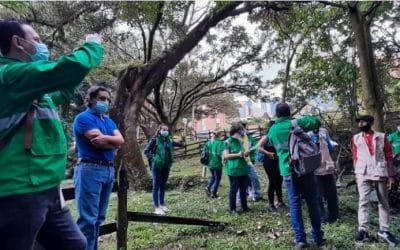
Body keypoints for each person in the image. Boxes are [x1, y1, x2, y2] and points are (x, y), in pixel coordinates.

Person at [0, 18, 103, 250]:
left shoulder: (31, 89)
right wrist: (92, 47)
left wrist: (70, 79)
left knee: (74, 245)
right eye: (36, 39)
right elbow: (64, 70)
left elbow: (60, 91)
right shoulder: (8, 76)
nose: (41, 45)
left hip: (47, 187)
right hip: (21, 190)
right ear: (18, 42)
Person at [73, 85, 124, 250]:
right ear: (90, 100)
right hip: (90, 169)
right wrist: (113, 142)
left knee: (99, 218)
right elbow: (100, 144)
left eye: (108, 99)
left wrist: (110, 141)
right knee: (88, 219)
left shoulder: (108, 121)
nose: (106, 102)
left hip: (108, 170)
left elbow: (121, 140)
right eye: (102, 99)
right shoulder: (83, 118)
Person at [268, 103, 324, 248]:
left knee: (295, 204)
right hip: (305, 169)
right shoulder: (297, 123)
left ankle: (300, 239)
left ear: (277, 114)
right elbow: (316, 121)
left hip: (288, 171)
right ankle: (318, 237)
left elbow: (274, 145)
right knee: (312, 202)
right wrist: (304, 116)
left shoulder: (272, 129)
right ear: (290, 112)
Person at [351, 115, 398, 246]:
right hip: (363, 172)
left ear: (371, 123)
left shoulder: (382, 137)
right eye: (359, 122)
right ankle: (363, 229)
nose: (361, 124)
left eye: (363, 121)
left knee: (383, 202)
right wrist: (356, 174)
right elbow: (355, 157)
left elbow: (389, 156)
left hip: (380, 171)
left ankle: (384, 230)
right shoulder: (356, 138)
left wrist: (390, 176)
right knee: (363, 201)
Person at [144, 124, 184, 215]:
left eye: (167, 130)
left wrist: (182, 141)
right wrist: (153, 158)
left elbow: (180, 145)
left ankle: (162, 204)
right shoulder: (155, 140)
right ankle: (157, 207)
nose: (165, 131)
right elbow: (146, 151)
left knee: (163, 185)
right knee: (156, 185)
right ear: (159, 130)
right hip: (157, 165)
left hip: (166, 165)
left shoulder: (169, 140)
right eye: (163, 129)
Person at [309, 127, 339, 223]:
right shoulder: (306, 134)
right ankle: (321, 216)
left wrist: (333, 163)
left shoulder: (323, 131)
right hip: (314, 168)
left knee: (331, 192)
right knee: (318, 194)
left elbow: (330, 146)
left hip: (327, 167)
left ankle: (333, 214)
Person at [258, 121, 285, 212]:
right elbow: (259, 147)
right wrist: (268, 153)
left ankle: (280, 202)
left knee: (279, 180)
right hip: (269, 162)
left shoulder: (277, 136)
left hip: (278, 161)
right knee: (273, 181)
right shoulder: (266, 137)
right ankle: (271, 204)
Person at [223, 123, 251, 215]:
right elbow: (226, 156)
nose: (244, 130)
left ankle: (244, 206)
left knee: (243, 189)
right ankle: (233, 209)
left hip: (243, 169)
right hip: (233, 170)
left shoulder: (240, 141)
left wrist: (245, 154)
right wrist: (238, 154)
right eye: (242, 129)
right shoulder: (227, 142)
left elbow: (242, 153)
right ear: (237, 130)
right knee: (233, 189)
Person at [239, 121, 263, 202]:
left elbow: (255, 144)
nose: (246, 130)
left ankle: (256, 195)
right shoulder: (234, 139)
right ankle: (241, 197)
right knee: (242, 181)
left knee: (254, 178)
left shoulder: (247, 137)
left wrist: (251, 149)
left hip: (249, 161)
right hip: (240, 163)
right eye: (245, 128)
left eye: (246, 128)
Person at [204, 131, 225, 198]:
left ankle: (208, 187)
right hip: (217, 164)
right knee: (217, 179)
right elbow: (220, 154)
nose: (223, 137)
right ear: (218, 135)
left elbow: (205, 153)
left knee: (213, 176)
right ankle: (214, 193)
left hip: (210, 164)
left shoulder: (208, 143)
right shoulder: (220, 143)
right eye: (222, 135)